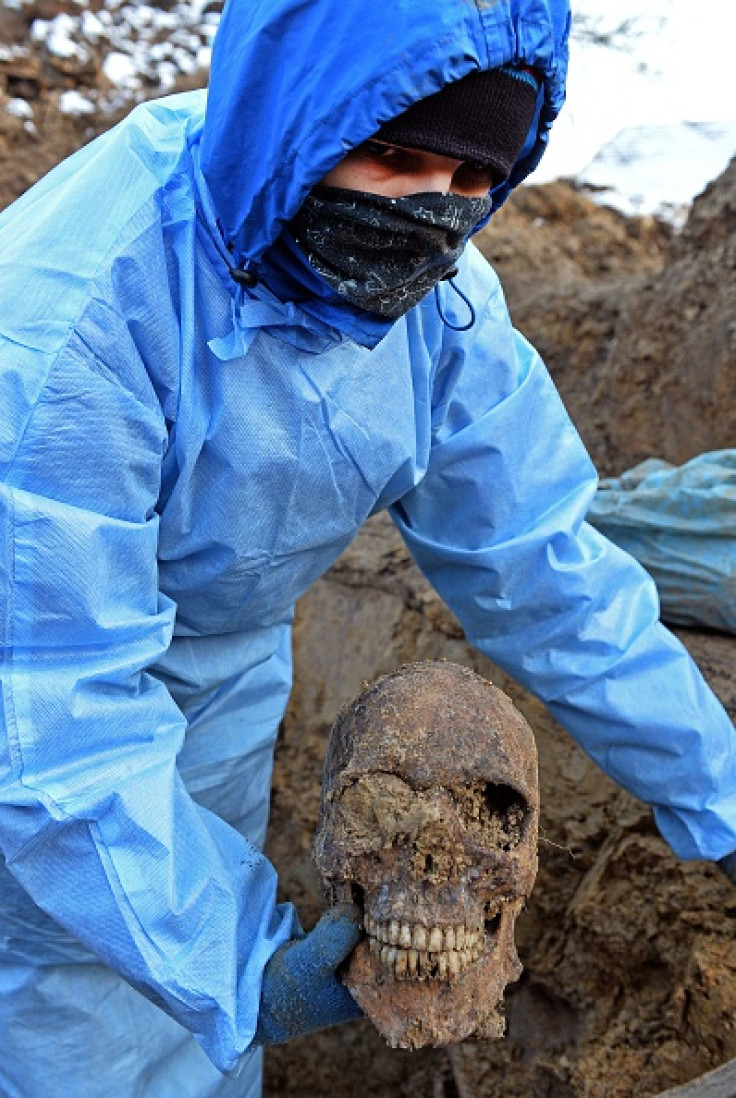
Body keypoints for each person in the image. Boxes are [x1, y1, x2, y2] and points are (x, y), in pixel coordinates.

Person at [0, 0, 734, 1094]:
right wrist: (243, 968)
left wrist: (720, 792)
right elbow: (44, 707)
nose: (430, 213)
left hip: (228, 677)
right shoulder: (75, 329)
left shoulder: (443, 310)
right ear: (296, 126)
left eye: (471, 176)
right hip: (35, 700)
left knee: (195, 1046)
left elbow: (547, 569)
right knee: (74, 1019)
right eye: (392, 157)